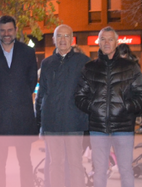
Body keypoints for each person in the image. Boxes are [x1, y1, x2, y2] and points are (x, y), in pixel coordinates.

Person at [76, 26, 142, 187]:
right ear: (98, 42)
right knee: (99, 171)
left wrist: (125, 107)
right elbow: (79, 96)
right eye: (103, 39)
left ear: (116, 42)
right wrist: (94, 108)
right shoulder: (89, 68)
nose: (106, 42)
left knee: (125, 170)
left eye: (110, 39)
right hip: (98, 129)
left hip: (123, 128)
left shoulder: (130, 67)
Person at [0, 15, 38, 187]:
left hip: (22, 117)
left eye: (10, 30)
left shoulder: (28, 52)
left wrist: (18, 98)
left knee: (25, 161)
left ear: (16, 30)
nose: (6, 34)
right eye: (3, 30)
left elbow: (31, 80)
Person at [35, 24, 89, 187]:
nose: (63, 39)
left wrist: (86, 119)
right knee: (55, 164)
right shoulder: (47, 63)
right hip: (52, 122)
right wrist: (39, 123)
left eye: (66, 36)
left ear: (72, 39)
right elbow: (41, 93)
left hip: (74, 122)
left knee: (75, 164)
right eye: (59, 36)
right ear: (54, 39)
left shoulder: (83, 62)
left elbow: (90, 93)